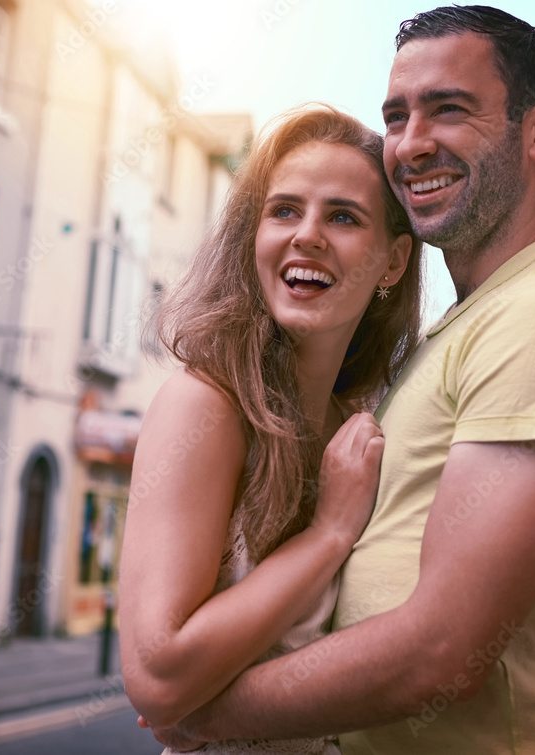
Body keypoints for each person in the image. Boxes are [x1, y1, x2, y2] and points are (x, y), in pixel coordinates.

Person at [147, 7, 535, 754]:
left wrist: (205, 717)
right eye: (397, 115)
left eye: (449, 109)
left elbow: (442, 651)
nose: (412, 144)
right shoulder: (461, 329)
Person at [119, 103, 423, 753]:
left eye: (342, 216)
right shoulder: (204, 406)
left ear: (393, 262)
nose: (306, 234)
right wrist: (329, 532)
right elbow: (158, 675)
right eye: (284, 210)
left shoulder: (363, 434)